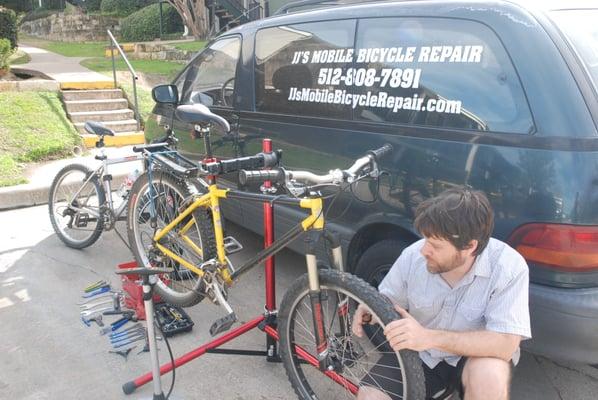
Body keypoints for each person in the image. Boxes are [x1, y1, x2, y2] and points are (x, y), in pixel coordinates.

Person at [352, 188, 531, 400]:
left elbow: (505, 344)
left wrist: (428, 337)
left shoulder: (508, 267)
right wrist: (372, 306)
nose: (424, 250)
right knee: (370, 396)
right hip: (420, 353)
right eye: (425, 239)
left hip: (474, 355)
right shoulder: (413, 256)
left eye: (435, 245)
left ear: (470, 247)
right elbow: (389, 298)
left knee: (489, 380)